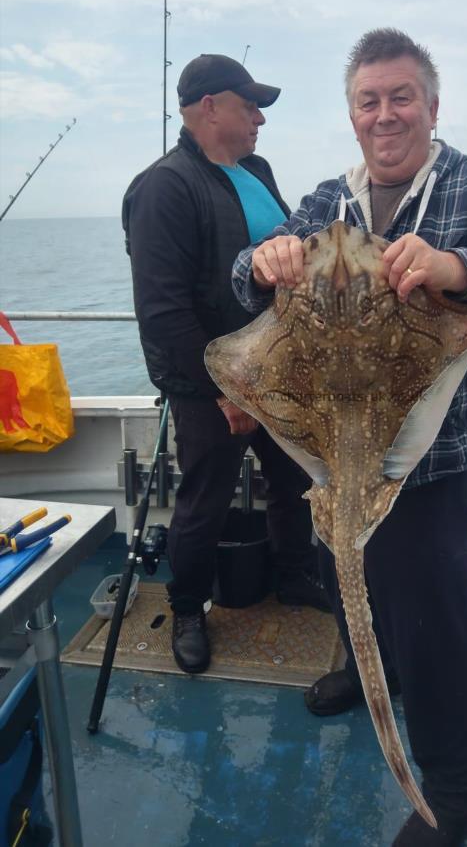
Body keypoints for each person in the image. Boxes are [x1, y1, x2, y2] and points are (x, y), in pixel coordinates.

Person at [231, 30, 467, 846]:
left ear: (430, 105)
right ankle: (358, 671)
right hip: (326, 453)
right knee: (346, 579)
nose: (383, 115)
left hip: (430, 466)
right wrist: (262, 259)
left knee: (433, 637)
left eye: (400, 97)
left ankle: (454, 797)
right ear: (351, 114)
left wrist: (457, 267)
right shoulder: (328, 201)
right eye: (367, 101)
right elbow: (239, 275)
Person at [122, 54, 330, 677]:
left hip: (279, 373)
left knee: (295, 484)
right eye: (249, 104)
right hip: (209, 384)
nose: (260, 117)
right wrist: (225, 393)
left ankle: (293, 577)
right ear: (209, 108)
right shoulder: (164, 187)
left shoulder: (256, 171)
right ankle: (188, 608)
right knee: (204, 499)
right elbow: (162, 311)